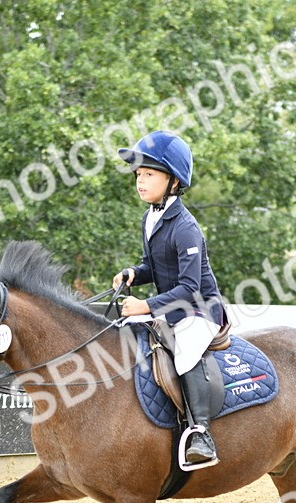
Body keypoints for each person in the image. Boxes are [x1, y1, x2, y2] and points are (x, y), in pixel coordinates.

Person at [112, 130, 225, 465]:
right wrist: (134, 273)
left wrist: (146, 305)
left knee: (185, 353)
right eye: (138, 175)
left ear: (173, 180)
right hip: (172, 308)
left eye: (149, 174)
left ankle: (201, 434)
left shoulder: (185, 226)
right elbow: (154, 265)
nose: (140, 181)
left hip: (200, 310)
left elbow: (189, 287)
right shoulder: (150, 217)